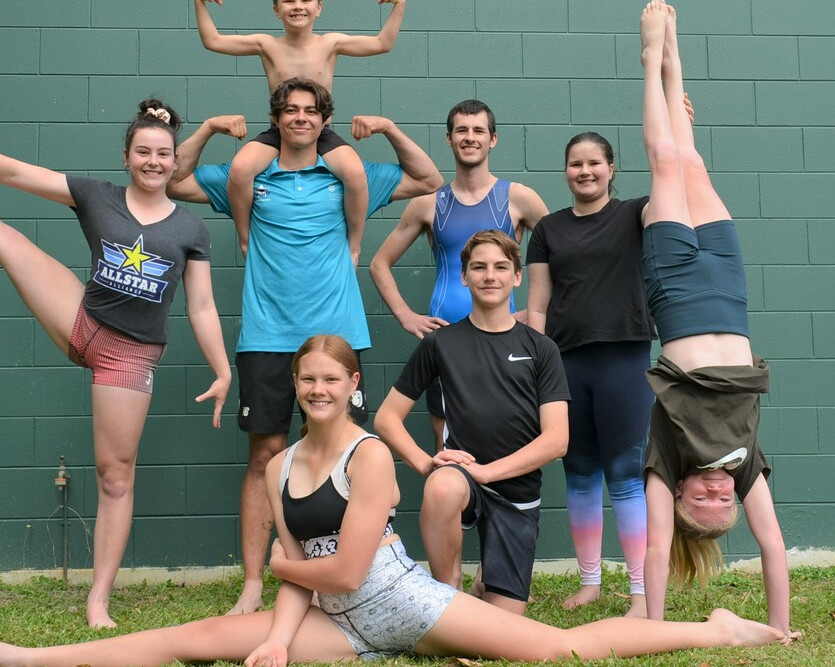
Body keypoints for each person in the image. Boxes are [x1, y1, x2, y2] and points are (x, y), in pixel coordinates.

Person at [0, 334, 792, 667]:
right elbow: (301, 579)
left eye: (330, 379)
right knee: (191, 639)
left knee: (558, 653)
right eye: (305, 381)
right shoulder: (278, 471)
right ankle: (28, 658)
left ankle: (709, 626)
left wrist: (284, 560)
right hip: (334, 626)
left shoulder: (373, 454)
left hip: (400, 602)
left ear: (354, 384)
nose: (315, 390)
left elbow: (342, 563)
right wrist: (277, 643)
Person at [0, 80, 235, 629]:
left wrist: (221, 370)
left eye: (163, 154)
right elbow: (12, 173)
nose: (153, 161)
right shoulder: (96, 195)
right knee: (2, 237)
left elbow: (201, 307)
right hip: (82, 319)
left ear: (177, 162)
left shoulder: (191, 228)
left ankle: (98, 597)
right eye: (143, 152)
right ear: (127, 157)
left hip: (129, 358)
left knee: (114, 476)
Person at [168, 77, 442, 614]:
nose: (300, 118)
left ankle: (346, 573)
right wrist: (204, 129)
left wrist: (386, 127)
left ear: (323, 121)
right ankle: (253, 585)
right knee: (265, 456)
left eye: (310, 112)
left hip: (336, 337)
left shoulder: (348, 176)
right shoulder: (248, 178)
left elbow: (428, 177)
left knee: (348, 457)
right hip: (267, 338)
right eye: (290, 111)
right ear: (277, 119)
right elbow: (176, 181)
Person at [637, 1, 797, 639]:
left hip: (676, 298)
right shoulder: (745, 465)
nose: (714, 495)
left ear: (679, 501)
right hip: (729, 295)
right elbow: (775, 548)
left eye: (701, 503)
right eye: (721, 503)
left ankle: (651, 59)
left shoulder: (665, 464)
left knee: (668, 165)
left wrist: (653, 627)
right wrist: (780, 628)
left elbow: (652, 551)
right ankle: (676, 57)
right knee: (694, 161)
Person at [374, 231, 570, 615]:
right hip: (461, 479)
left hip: (516, 492)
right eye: (478, 267)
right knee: (442, 485)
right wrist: (425, 462)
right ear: (463, 276)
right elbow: (386, 418)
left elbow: (557, 440)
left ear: (517, 277)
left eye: (500, 267)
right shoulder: (440, 343)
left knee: (504, 623)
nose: (489, 276)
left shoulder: (540, 348)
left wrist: (488, 472)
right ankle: (447, 592)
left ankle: (490, 580)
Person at [524, 132, 655, 617]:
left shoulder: (635, 215)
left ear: (611, 168)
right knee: (579, 475)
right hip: (565, 363)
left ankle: (641, 592)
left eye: (594, 163)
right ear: (566, 171)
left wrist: (677, 124)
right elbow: (536, 307)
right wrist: (536, 369)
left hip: (624, 359)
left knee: (625, 476)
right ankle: (591, 582)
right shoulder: (549, 230)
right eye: (576, 164)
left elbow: (674, 177)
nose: (585, 171)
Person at [370, 99, 549, 451]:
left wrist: (537, 313)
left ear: (493, 139)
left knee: (507, 437)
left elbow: (564, 256)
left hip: (504, 340)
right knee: (446, 444)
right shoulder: (428, 203)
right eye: (462, 131)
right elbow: (379, 264)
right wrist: (406, 316)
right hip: (447, 342)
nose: (470, 138)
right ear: (449, 139)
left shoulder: (519, 198)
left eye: (478, 130)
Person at [193, 0, 407, 263]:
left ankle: (353, 247)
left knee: (354, 172)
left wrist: (400, 4)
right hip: (279, 132)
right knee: (239, 169)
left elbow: (382, 43)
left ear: (319, 8)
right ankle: (247, 240)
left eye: (306, 1)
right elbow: (212, 40)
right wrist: (199, 3)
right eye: (288, 1)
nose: (297, 6)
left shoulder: (331, 43)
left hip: (321, 132)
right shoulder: (266, 45)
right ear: (275, 10)